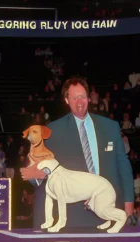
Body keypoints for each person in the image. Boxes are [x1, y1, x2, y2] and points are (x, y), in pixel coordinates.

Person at [21, 77, 134, 230]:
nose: (79, 101)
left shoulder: (110, 127)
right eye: (74, 98)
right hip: (73, 216)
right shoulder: (53, 131)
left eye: (82, 96)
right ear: (67, 100)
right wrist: (35, 173)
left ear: (88, 97)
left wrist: (129, 200)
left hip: (106, 209)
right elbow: (35, 166)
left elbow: (123, 165)